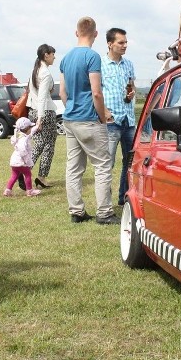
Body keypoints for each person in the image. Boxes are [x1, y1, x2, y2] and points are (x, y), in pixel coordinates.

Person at [59, 17, 118, 225]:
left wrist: (72, 108)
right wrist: (103, 117)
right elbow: (97, 93)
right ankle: (104, 213)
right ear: (96, 34)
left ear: (76, 33)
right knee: (102, 166)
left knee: (73, 168)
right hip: (90, 120)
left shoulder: (65, 59)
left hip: (70, 120)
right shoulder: (92, 57)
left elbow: (62, 92)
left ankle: (76, 211)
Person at [101, 28, 136, 206]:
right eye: (121, 42)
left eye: (125, 42)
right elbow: (95, 92)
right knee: (107, 163)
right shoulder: (99, 64)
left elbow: (132, 85)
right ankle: (105, 203)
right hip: (110, 122)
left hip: (129, 120)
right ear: (110, 44)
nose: (125, 45)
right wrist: (105, 112)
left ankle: (124, 198)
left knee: (129, 162)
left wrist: (131, 93)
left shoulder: (129, 64)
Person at [27, 44, 58, 189]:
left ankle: (40, 177)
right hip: (45, 112)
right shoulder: (45, 73)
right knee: (46, 146)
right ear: (46, 55)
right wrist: (40, 118)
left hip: (34, 110)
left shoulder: (35, 70)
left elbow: (33, 96)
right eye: (53, 54)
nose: (54, 57)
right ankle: (30, 172)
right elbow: (42, 97)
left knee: (42, 145)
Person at [4, 117, 43, 197]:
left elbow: (32, 132)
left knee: (14, 175)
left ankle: (8, 190)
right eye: (30, 127)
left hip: (14, 161)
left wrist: (37, 125)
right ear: (26, 128)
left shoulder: (21, 135)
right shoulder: (23, 139)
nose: (31, 129)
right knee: (28, 174)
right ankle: (30, 190)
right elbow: (23, 152)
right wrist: (27, 161)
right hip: (21, 161)